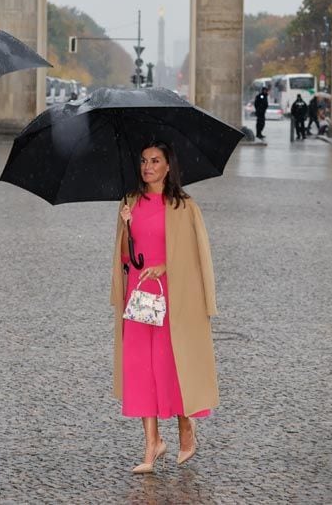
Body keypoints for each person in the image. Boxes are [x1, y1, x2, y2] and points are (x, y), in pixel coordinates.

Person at [110, 141, 219, 474]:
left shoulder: (184, 207)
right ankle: (151, 444)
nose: (148, 167)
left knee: (174, 365)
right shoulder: (129, 202)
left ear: (168, 166)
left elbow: (196, 256)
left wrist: (168, 266)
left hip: (176, 297)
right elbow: (127, 258)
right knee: (141, 367)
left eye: (155, 161)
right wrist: (126, 225)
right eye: (143, 160)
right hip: (142, 296)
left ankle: (186, 426)